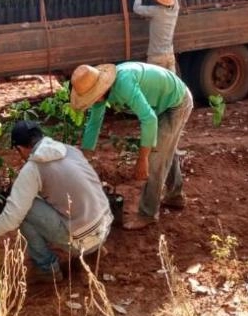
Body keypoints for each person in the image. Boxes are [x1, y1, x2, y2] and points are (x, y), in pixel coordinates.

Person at [0, 120, 113, 283]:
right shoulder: (69, 150)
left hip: (82, 241)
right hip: (105, 228)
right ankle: (94, 249)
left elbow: (12, 218)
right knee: (36, 200)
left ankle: (47, 269)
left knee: (25, 212)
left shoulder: (33, 169)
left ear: (20, 148)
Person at [70, 61, 193, 230]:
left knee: (155, 157)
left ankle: (148, 214)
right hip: (160, 105)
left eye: (90, 98)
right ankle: (175, 196)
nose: (90, 102)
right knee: (165, 150)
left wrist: (142, 159)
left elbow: (149, 120)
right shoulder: (102, 93)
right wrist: (84, 158)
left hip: (177, 103)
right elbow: (93, 124)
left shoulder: (123, 84)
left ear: (98, 89)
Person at [133, 0, 179, 72]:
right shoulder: (176, 8)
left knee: (153, 85)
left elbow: (136, 8)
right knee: (172, 85)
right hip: (170, 55)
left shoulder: (156, 11)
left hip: (156, 57)